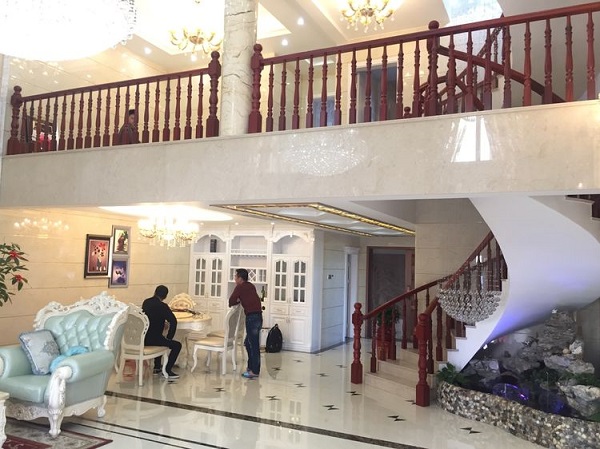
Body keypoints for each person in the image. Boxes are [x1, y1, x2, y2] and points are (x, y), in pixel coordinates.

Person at [142, 285, 181, 379]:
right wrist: (169, 337)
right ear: (165, 296)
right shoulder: (163, 306)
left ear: (155, 292)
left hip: (143, 338)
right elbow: (173, 321)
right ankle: (167, 370)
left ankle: (157, 367)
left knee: (161, 339)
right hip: (155, 339)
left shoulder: (146, 302)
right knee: (177, 345)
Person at [229, 268, 263, 378]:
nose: (235, 279)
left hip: (252, 318)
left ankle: (255, 371)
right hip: (258, 317)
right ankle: (251, 367)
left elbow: (231, 301)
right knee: (249, 343)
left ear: (240, 278)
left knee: (253, 345)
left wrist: (238, 300)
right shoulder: (251, 286)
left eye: (236, 277)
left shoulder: (240, 287)